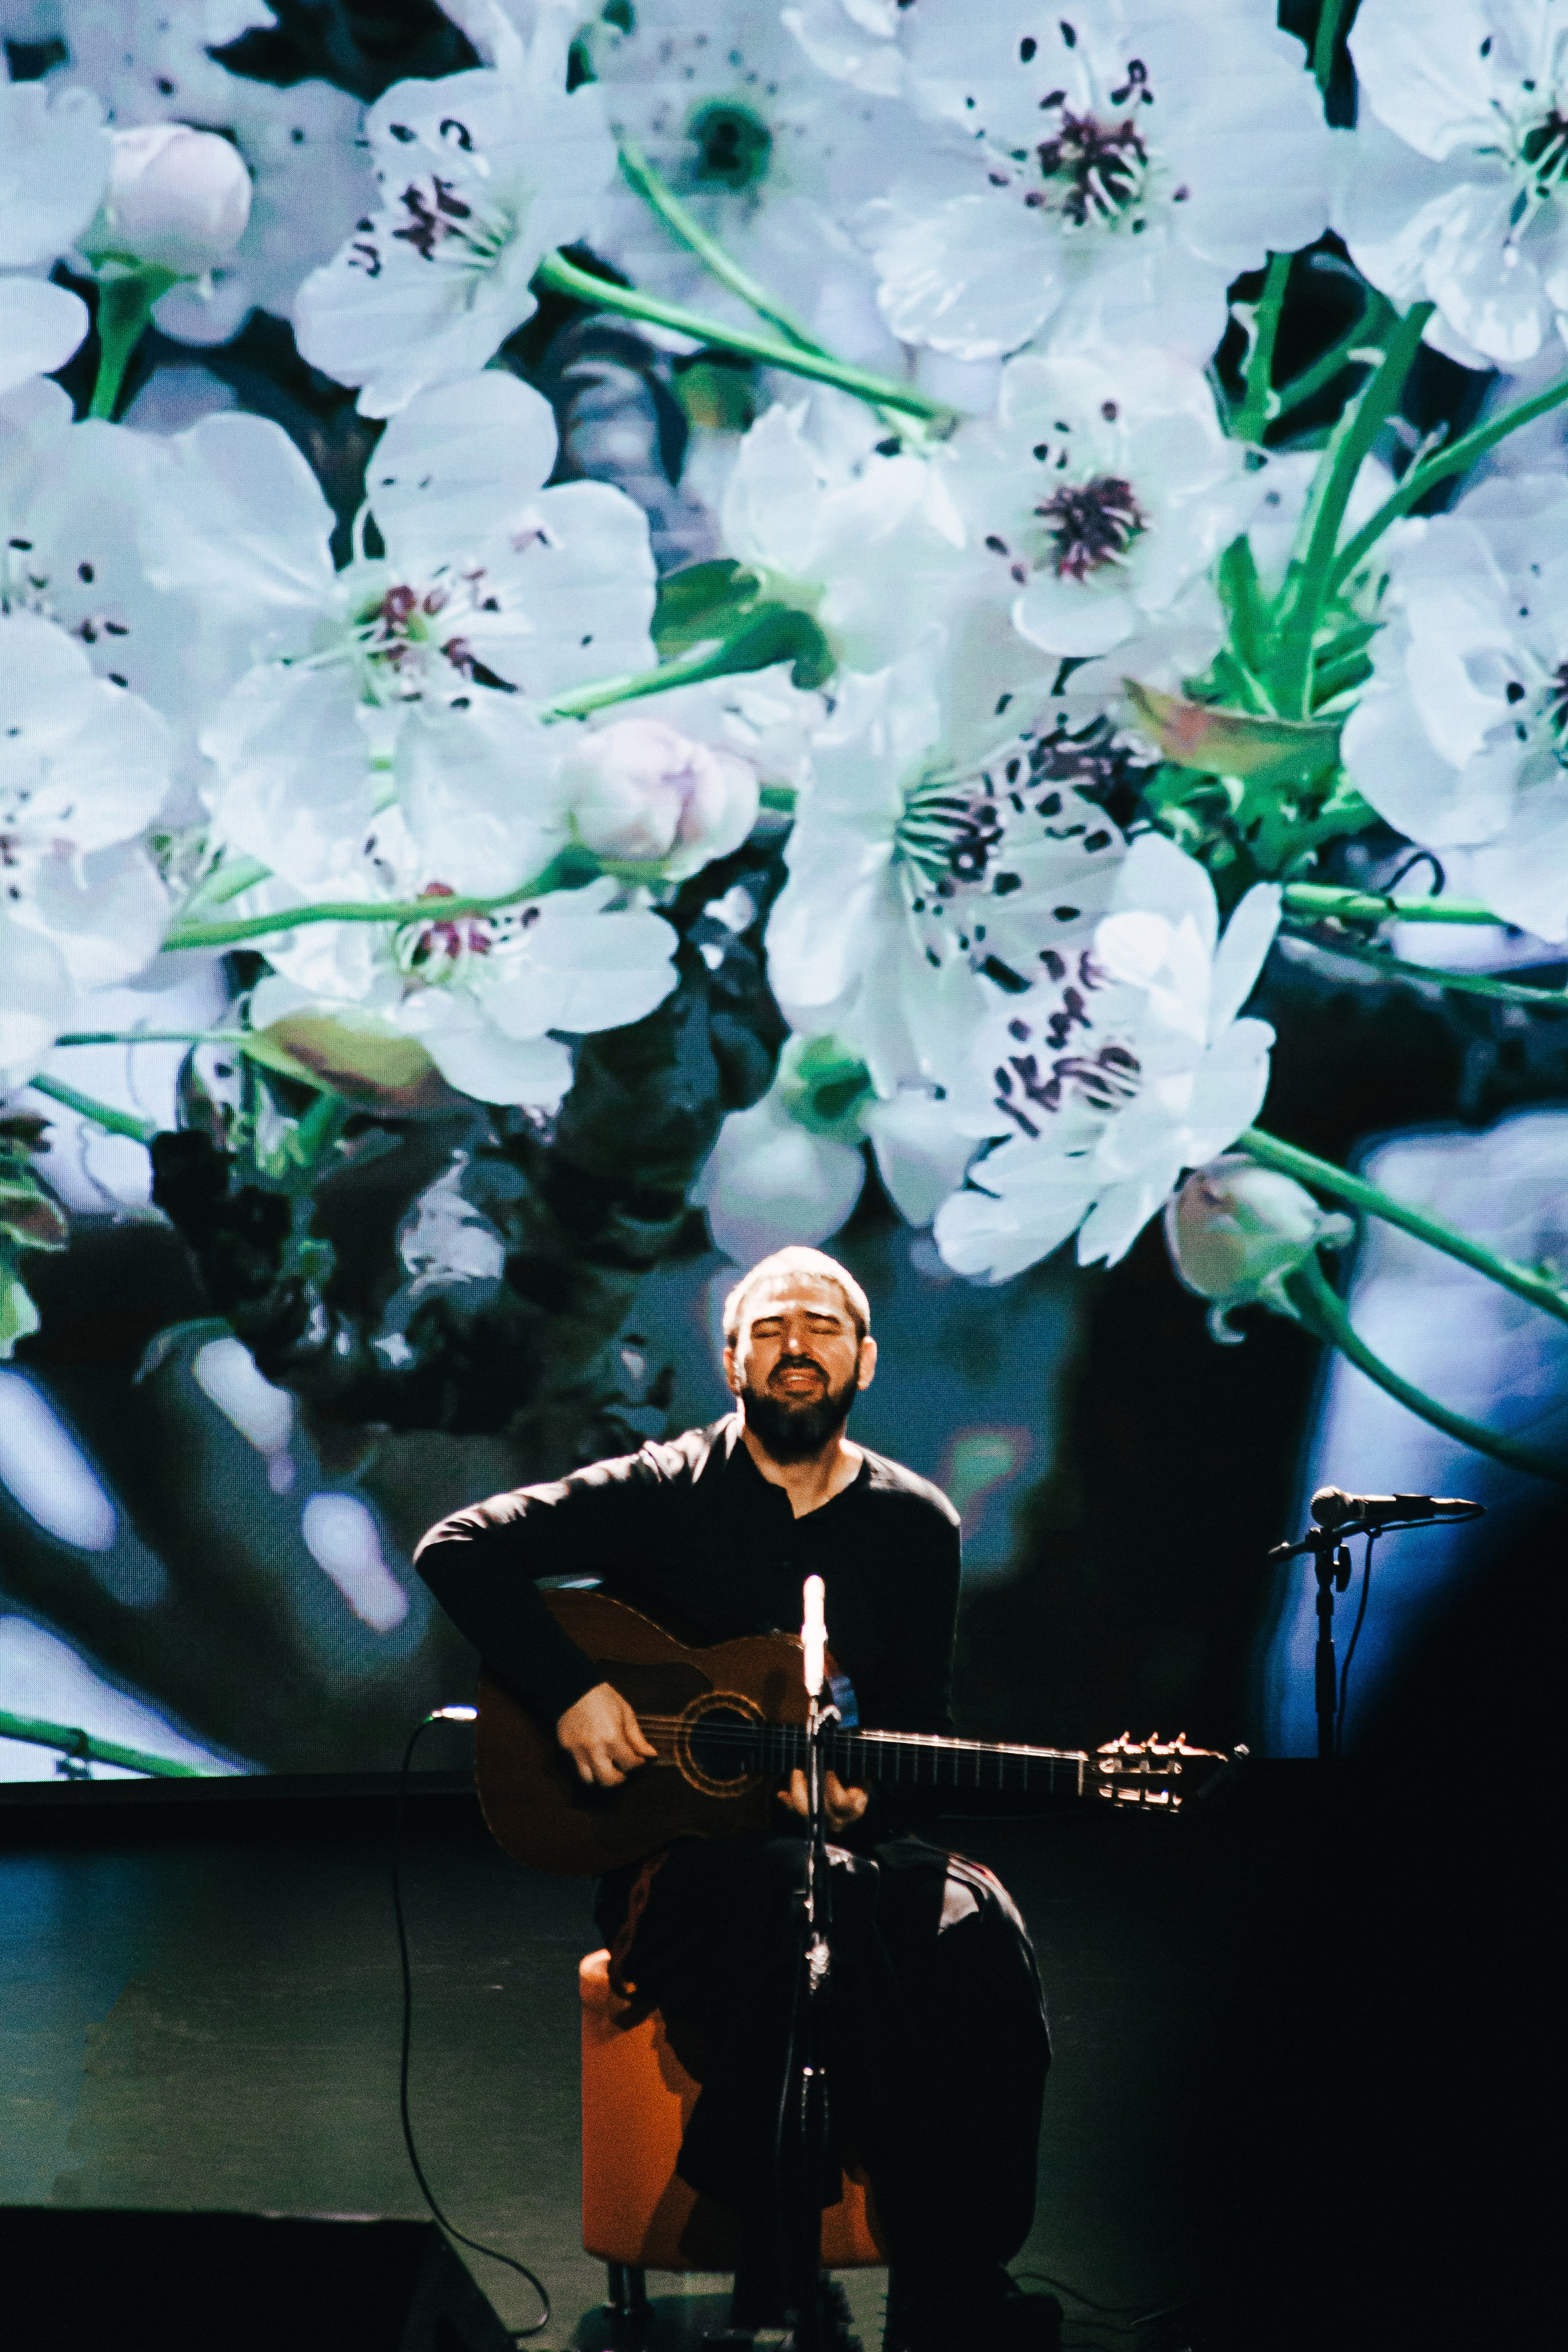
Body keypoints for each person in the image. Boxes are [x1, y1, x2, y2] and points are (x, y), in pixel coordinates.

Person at [414, 1246, 1055, 2350]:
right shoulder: (666, 1489)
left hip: (841, 1864)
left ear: (864, 1360)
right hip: (683, 1872)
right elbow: (455, 1545)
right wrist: (571, 1692)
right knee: (782, 1896)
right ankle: (776, 2248)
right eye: (769, 1327)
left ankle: (952, 2286)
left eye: (821, 1327)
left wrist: (862, 1802)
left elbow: (921, 1737)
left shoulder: (917, 1526)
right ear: (729, 1360)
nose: (795, 1345)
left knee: (975, 1926)